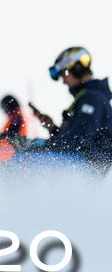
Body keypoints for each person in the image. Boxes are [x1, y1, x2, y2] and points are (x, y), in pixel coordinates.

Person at [28, 47, 112, 176]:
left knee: (27, 160)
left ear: (77, 69)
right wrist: (53, 130)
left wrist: (46, 144)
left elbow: (80, 139)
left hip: (91, 169)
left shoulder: (92, 98)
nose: (64, 81)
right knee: (30, 155)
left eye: (64, 74)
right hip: (83, 165)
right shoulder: (88, 97)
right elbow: (78, 137)